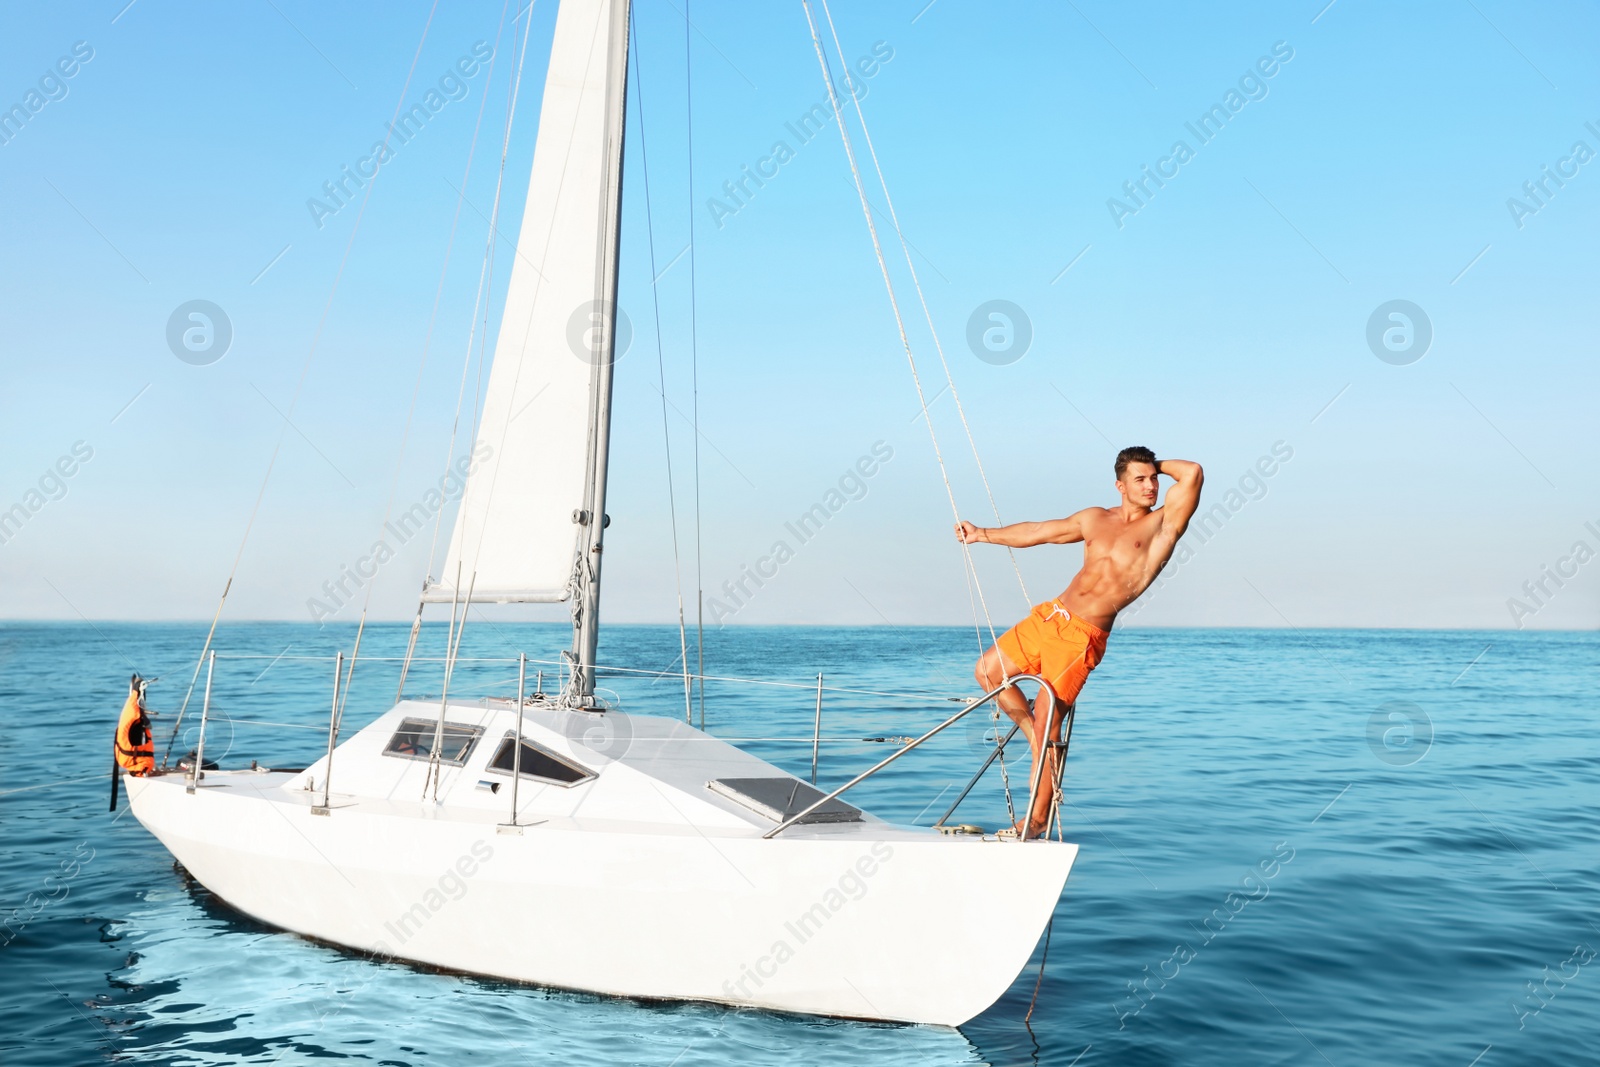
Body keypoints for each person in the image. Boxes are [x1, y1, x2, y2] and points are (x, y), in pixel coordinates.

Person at [955, 446, 1203, 837]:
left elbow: (1191, 472)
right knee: (987, 672)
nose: (1151, 485)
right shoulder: (1094, 518)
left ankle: (1036, 820)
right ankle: (1035, 737)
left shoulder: (1164, 524)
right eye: (1140, 479)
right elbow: (1039, 532)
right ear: (1119, 485)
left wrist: (1153, 463)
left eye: (1153, 478)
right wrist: (981, 534)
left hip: (1082, 636)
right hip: (1051, 615)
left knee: (1048, 725)